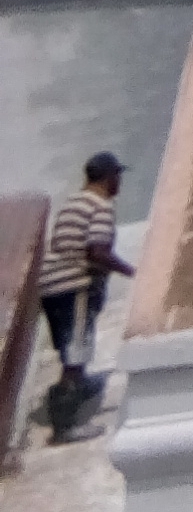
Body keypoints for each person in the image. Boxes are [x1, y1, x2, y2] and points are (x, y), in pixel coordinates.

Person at [36, 149, 133, 431]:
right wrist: (131, 272)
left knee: (71, 347)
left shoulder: (73, 202)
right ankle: (65, 426)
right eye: (118, 176)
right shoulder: (101, 206)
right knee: (75, 355)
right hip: (74, 286)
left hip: (51, 287)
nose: (119, 184)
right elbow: (97, 251)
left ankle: (82, 384)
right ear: (109, 178)